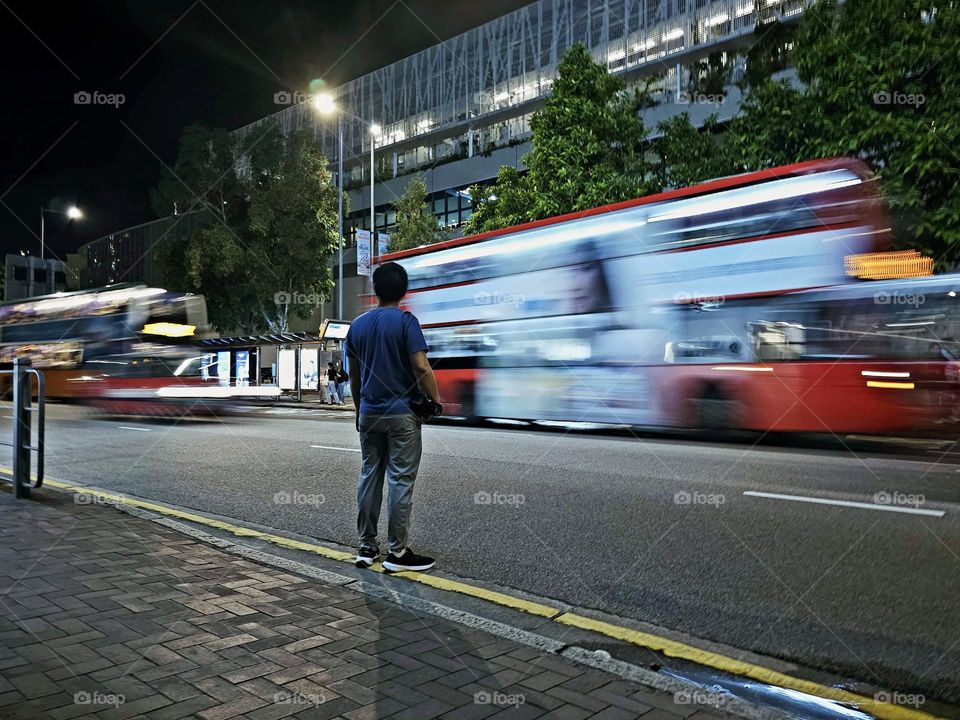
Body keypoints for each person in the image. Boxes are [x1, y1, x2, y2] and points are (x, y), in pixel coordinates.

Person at [345, 261, 442, 572]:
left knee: (369, 474)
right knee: (400, 479)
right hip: (401, 414)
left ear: (376, 290)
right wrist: (435, 400)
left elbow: (355, 378)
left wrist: (360, 410)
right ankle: (397, 553)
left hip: (370, 412)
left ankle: (366, 546)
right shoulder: (405, 322)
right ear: (403, 291)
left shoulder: (356, 326)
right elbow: (422, 366)